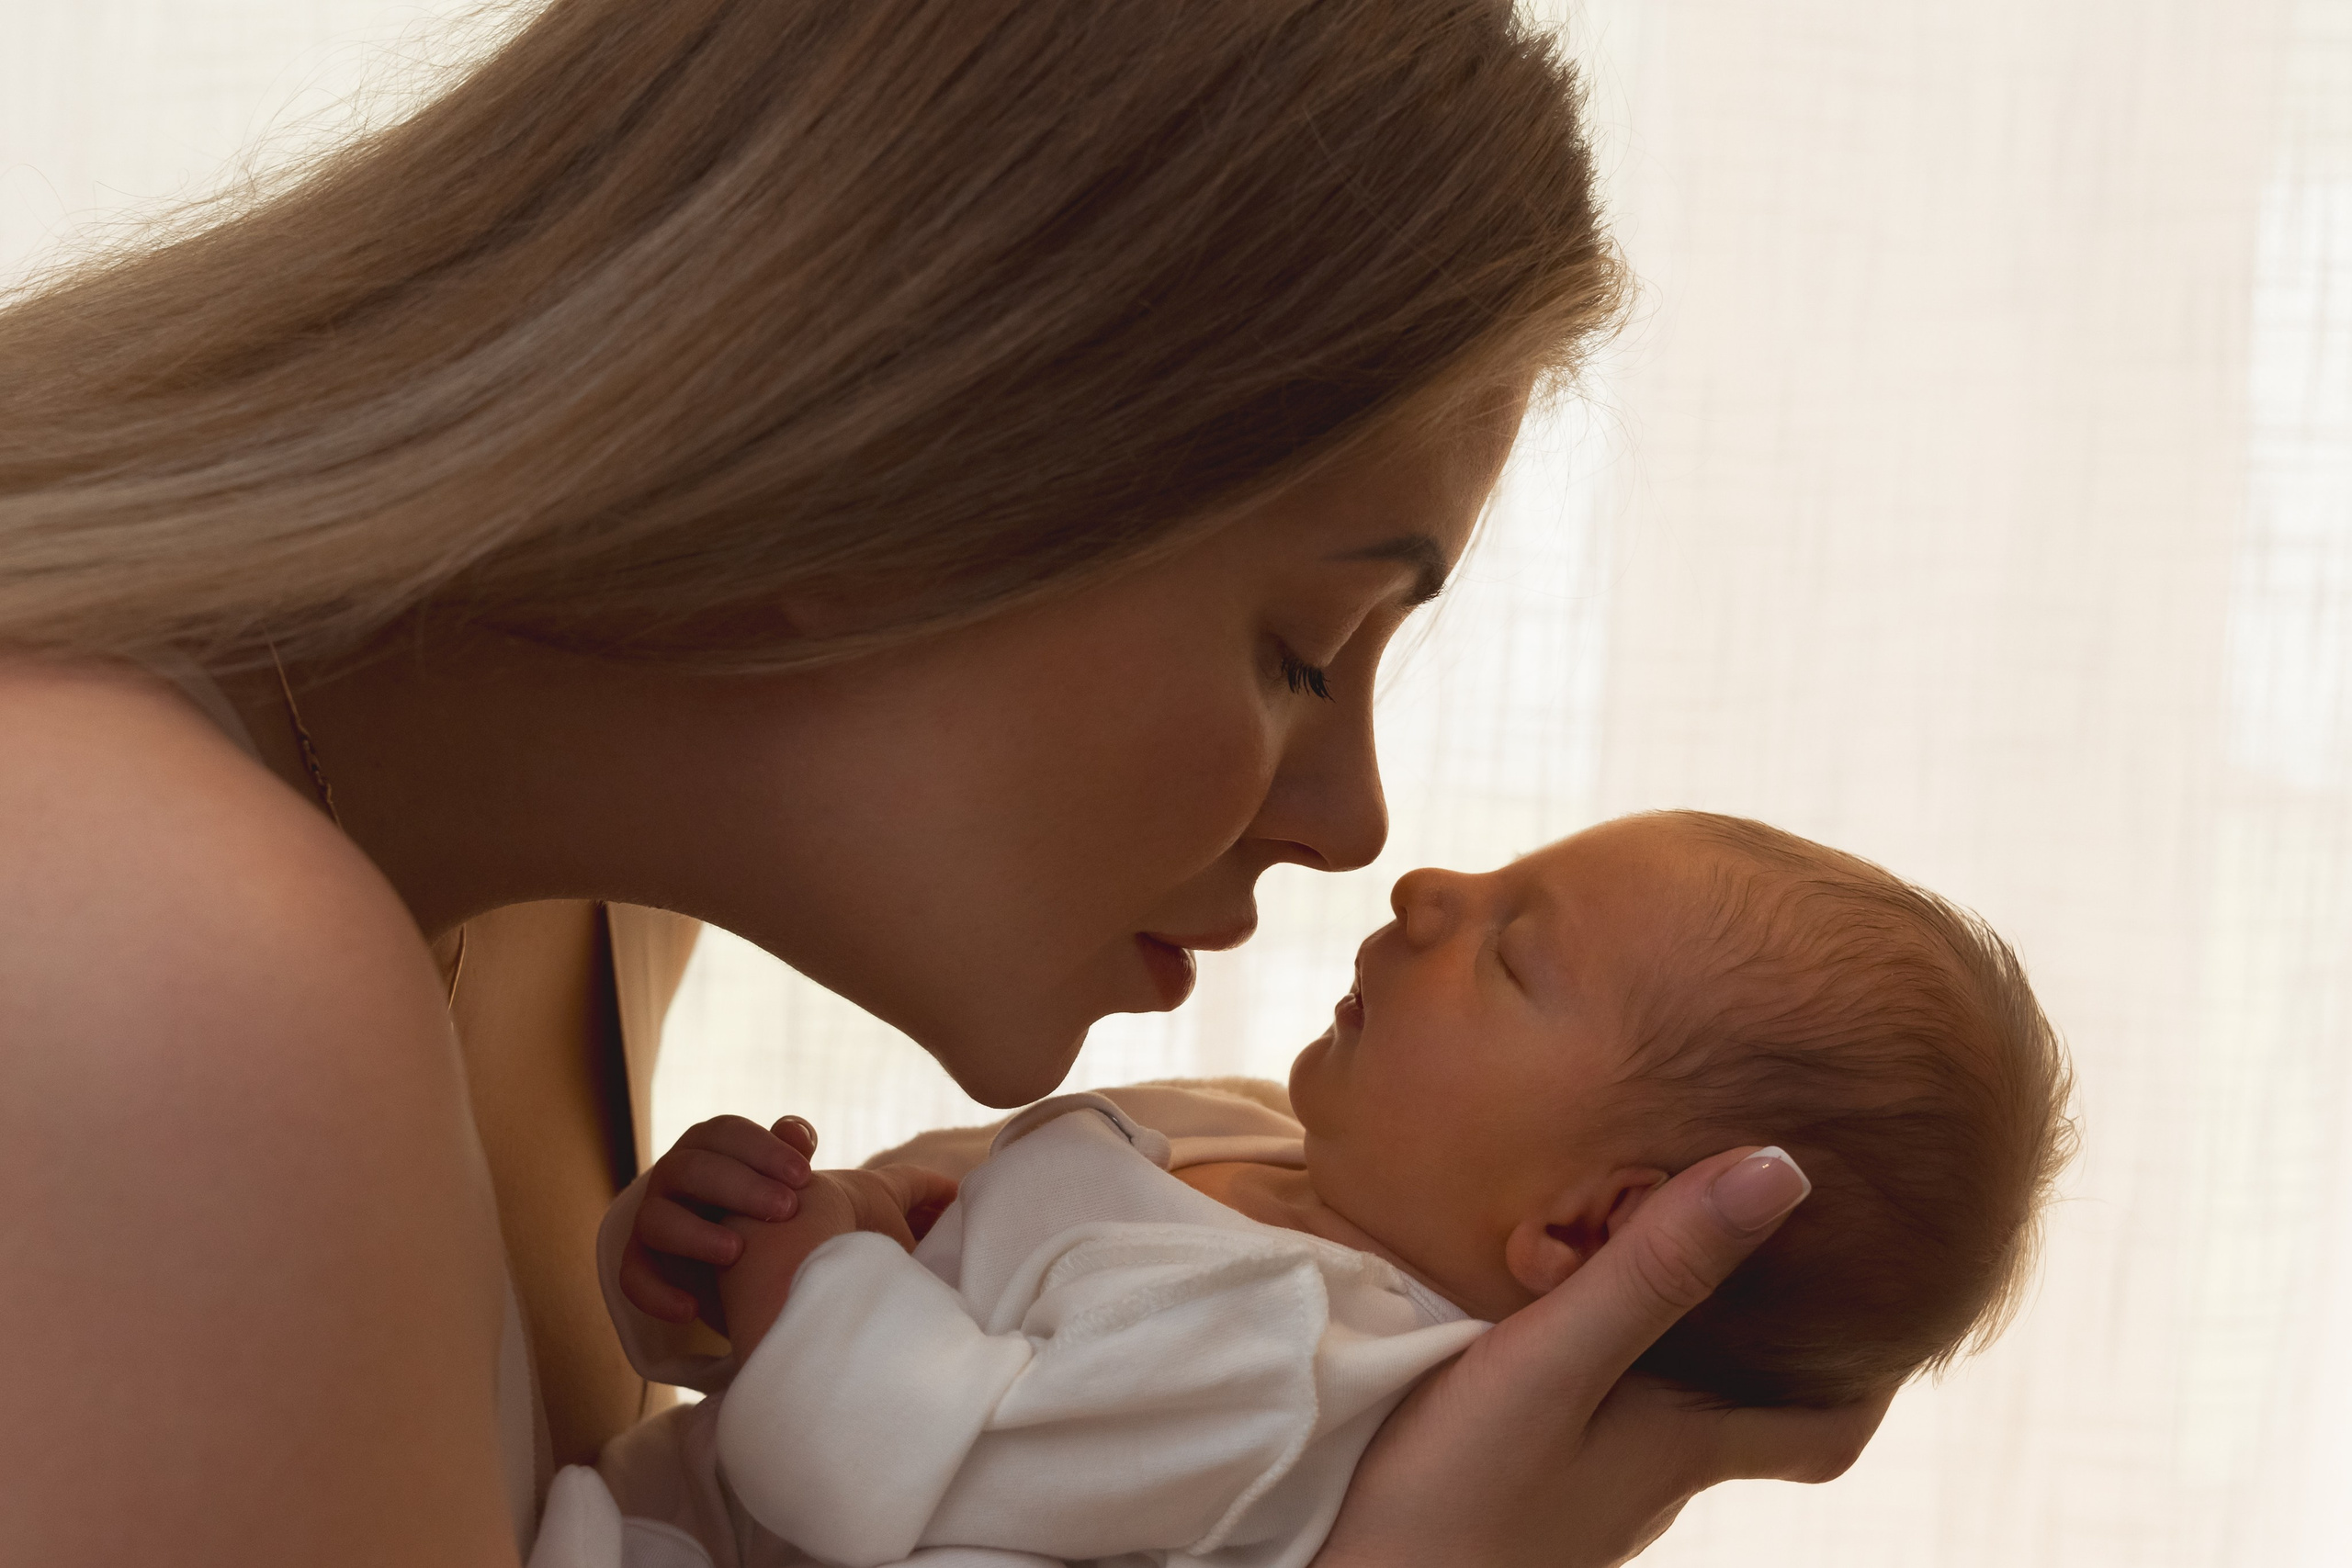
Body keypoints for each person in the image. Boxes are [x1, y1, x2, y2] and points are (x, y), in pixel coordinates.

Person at [0, 4, 1886, 1564]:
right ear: (885, 475)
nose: (1356, 830)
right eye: (1304, 647)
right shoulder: (173, 959)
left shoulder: (572, 919)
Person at [532, 811, 2071, 1568]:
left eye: (1512, 950)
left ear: (1586, 1230)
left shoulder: (1296, 1362)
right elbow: (902, 1287)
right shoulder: (1248, 1142)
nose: (1427, 889)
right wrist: (724, 1255)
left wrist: (802, 1277)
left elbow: (873, 1469)